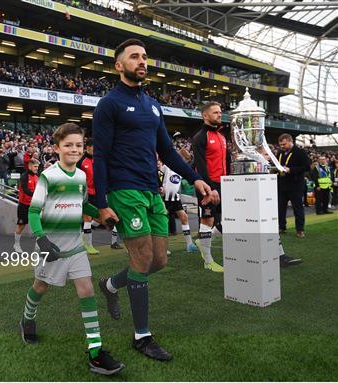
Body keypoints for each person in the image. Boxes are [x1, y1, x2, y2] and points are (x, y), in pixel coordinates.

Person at [92, 39, 218, 361]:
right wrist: (102, 201)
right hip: (125, 190)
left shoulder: (153, 105)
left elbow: (167, 151)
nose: (142, 61)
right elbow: (101, 156)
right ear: (119, 65)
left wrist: (195, 178)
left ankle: (109, 285)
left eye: (145, 57)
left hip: (152, 190)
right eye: (134, 57)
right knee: (142, 257)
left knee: (159, 260)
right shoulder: (109, 104)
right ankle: (142, 337)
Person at [19, 123, 125, 376]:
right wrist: (42, 240)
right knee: (40, 287)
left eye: (78, 145)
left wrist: (101, 216)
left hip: (75, 247)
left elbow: (84, 205)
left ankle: (96, 353)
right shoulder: (48, 176)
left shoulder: (80, 177)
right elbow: (34, 212)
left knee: (86, 289)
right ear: (56, 148)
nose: (74, 149)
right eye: (68, 145)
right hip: (50, 246)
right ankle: (27, 319)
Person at [191, 101, 229, 273]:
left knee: (229, 220)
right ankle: (208, 261)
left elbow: (227, 163)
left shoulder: (222, 136)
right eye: (215, 112)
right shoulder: (200, 137)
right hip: (207, 185)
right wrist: (210, 188)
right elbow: (200, 165)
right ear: (205, 116)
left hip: (223, 184)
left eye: (220, 112)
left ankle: (202, 241)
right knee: (208, 220)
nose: (219, 114)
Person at [77, 139, 122, 254]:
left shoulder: (99, 160)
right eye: (93, 147)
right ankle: (88, 246)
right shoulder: (81, 162)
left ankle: (84, 237)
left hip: (98, 194)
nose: (96, 150)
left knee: (100, 219)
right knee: (87, 219)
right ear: (87, 147)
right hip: (86, 194)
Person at [158, 161, 198, 253]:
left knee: (184, 217)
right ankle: (162, 248)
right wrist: (159, 188)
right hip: (164, 198)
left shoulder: (180, 168)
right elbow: (159, 176)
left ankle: (189, 244)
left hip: (175, 197)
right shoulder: (165, 167)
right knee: (163, 221)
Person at [276, 133, 310, 237]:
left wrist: (291, 170)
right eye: (280, 144)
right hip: (282, 184)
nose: (282, 146)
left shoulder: (300, 152)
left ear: (291, 141)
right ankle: (282, 227)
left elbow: (307, 167)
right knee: (280, 208)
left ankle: (300, 230)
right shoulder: (280, 153)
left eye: (284, 144)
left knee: (297, 208)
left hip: (295, 185)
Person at [13, 159, 39, 253]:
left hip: (34, 205)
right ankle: (16, 245)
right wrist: (36, 195)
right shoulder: (24, 176)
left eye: (37, 166)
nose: (37, 168)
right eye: (35, 166)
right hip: (24, 205)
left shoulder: (37, 177)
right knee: (21, 225)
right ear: (30, 166)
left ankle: (39, 246)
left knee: (38, 225)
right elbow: (25, 190)